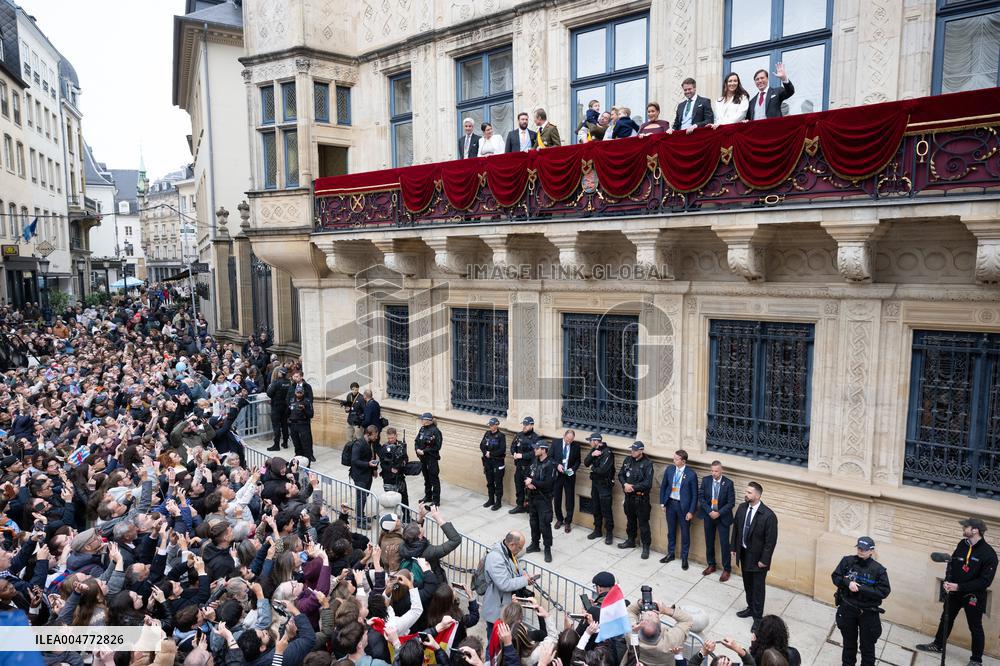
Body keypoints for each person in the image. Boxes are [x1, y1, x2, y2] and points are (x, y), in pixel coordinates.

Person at [916, 517, 997, 666]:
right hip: (954, 591)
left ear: (975, 530)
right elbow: (951, 564)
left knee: (975, 626)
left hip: (973, 595)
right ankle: (938, 644)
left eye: (966, 527)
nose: (963, 529)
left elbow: (985, 582)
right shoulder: (962, 544)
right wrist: (947, 581)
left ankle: (976, 660)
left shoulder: (989, 554)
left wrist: (959, 587)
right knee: (946, 619)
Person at [832, 536, 890, 666]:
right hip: (848, 608)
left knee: (867, 648)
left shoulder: (879, 570)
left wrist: (861, 588)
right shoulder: (847, 561)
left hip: (868, 613)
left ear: (871, 551)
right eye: (859, 548)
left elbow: (884, 591)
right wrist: (848, 583)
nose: (861, 551)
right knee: (849, 645)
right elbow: (836, 577)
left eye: (864, 549)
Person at [731, 481, 778, 623]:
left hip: (758, 560)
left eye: (749, 493)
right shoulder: (742, 508)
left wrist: (764, 560)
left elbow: (770, 542)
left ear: (757, 495)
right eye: (746, 492)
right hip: (744, 555)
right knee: (748, 584)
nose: (746, 494)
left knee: (758, 589)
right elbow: (736, 529)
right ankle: (750, 608)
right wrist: (734, 548)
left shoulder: (768, 516)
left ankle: (758, 619)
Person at [482, 531, 540, 637]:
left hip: (507, 608)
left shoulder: (508, 552)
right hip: (497, 611)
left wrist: (525, 576)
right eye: (519, 548)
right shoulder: (496, 558)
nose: (520, 551)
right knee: (494, 643)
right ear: (512, 544)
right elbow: (504, 584)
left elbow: (515, 569)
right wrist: (524, 580)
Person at [625, 593, 694, 666]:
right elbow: (687, 620)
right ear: (661, 630)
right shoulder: (671, 639)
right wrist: (666, 610)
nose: (650, 614)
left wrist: (639, 604)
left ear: (638, 628)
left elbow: (629, 611)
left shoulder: (631, 635)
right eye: (656, 617)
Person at [659, 449, 697, 568]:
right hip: (670, 504)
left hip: (683, 507)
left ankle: (684, 558)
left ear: (683, 461)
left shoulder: (691, 474)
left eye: (676, 459)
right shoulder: (670, 469)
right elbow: (663, 486)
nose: (673, 460)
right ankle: (671, 554)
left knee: (685, 533)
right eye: (674, 458)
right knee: (671, 531)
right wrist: (662, 503)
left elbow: (695, 495)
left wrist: (691, 511)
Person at [616, 441, 654, 559]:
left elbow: (647, 483)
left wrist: (632, 487)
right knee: (630, 521)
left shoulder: (647, 464)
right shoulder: (628, 460)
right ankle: (631, 540)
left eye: (635, 450)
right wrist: (625, 484)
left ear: (641, 451)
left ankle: (646, 547)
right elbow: (620, 475)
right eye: (631, 449)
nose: (632, 451)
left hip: (641, 499)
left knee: (643, 524)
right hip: (629, 498)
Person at [699, 460, 735, 581]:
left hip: (722, 517)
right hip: (709, 516)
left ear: (721, 471)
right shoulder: (706, 480)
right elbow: (701, 498)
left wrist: (718, 513)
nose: (714, 473)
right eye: (712, 471)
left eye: (716, 471)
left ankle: (727, 569)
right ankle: (711, 565)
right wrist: (710, 511)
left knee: (725, 544)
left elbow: (731, 503)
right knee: (709, 541)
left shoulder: (728, 483)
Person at [525, 440, 556, 563]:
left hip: (544, 499)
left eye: (537, 448)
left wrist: (533, 483)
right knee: (533, 522)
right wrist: (528, 483)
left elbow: (548, 484)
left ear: (543, 450)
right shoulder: (534, 461)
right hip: (533, 497)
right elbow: (527, 474)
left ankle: (547, 548)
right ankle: (535, 544)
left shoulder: (550, 465)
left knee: (544, 524)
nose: (534, 450)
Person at [583, 432, 615, 544]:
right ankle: (597, 530)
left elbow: (602, 470)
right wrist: (592, 455)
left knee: (606, 510)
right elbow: (586, 463)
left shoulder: (608, 453)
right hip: (595, 484)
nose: (589, 443)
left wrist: (593, 468)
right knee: (595, 508)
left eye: (590, 441)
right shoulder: (594, 450)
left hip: (605, 485)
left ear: (596, 441)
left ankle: (609, 534)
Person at [350, 426, 381, 528]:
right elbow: (354, 460)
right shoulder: (359, 444)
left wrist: (374, 469)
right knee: (361, 498)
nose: (376, 438)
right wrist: (368, 464)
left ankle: (360, 515)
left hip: (367, 475)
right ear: (368, 434)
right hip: (359, 476)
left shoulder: (371, 443)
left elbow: (373, 456)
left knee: (363, 497)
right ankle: (359, 522)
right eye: (375, 436)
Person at [550, 429, 580, 533]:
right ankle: (559, 519)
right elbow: (550, 458)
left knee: (570, 499)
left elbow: (578, 461)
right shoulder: (555, 443)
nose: (569, 442)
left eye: (571, 440)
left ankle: (568, 521)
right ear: (564, 436)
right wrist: (557, 465)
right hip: (558, 475)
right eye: (567, 439)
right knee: (557, 498)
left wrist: (573, 468)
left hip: (569, 475)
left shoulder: (576, 446)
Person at [508, 416, 539, 515]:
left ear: (532, 425)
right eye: (524, 424)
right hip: (519, 467)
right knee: (519, 486)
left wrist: (522, 455)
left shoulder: (535, 438)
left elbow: (535, 454)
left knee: (530, 489)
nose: (524, 426)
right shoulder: (519, 435)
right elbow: (512, 447)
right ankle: (520, 505)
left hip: (529, 468)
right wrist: (514, 454)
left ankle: (530, 508)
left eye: (526, 425)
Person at [379, 427, 411, 517]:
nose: (390, 440)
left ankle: (407, 516)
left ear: (396, 436)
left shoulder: (401, 446)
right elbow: (382, 464)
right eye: (389, 438)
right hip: (388, 477)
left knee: (404, 497)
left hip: (399, 476)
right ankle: (391, 516)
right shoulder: (384, 447)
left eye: (392, 438)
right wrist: (390, 469)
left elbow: (406, 458)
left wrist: (402, 465)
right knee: (390, 499)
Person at [414, 412, 442, 505]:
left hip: (431, 459)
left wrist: (424, 451)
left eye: (422, 419)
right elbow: (417, 440)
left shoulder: (436, 431)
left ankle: (436, 500)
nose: (421, 420)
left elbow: (437, 446)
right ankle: (428, 496)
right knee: (426, 478)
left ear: (427, 421)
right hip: (423, 459)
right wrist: (417, 449)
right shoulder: (422, 429)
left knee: (434, 479)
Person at [480, 417, 507, 511]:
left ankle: (498, 502)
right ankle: (491, 500)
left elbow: (502, 450)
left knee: (498, 483)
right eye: (490, 425)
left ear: (496, 425)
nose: (490, 427)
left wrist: (490, 454)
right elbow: (481, 445)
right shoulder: (487, 434)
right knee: (490, 482)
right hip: (488, 463)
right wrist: (485, 453)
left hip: (497, 462)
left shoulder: (501, 436)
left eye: (492, 425)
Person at [287, 384, 315, 463]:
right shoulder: (292, 400)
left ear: (303, 393)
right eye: (297, 392)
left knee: (305, 443)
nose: (299, 394)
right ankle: (297, 459)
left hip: (303, 424)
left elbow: (311, 414)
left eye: (300, 392)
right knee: (296, 443)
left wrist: (304, 409)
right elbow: (288, 412)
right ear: (295, 392)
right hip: (293, 424)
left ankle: (307, 460)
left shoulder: (307, 401)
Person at [265, 367, 290, 452]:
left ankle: (276, 445)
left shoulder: (276, 383)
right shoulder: (288, 382)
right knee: (284, 425)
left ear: (280, 373)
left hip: (276, 406)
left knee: (276, 426)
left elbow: (269, 393)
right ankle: (285, 443)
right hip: (285, 406)